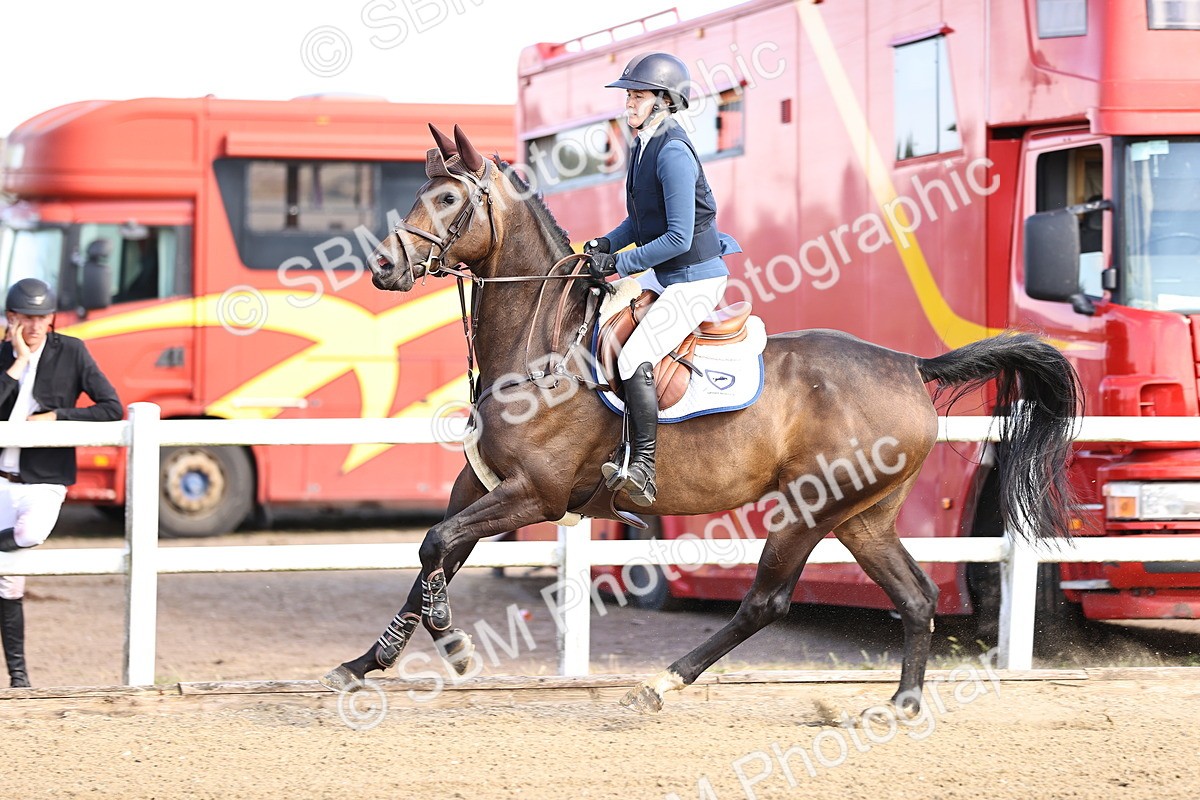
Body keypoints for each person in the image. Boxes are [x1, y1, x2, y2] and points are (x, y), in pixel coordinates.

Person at [585, 51, 741, 507]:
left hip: (694, 280)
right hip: (671, 278)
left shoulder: (672, 151)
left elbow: (676, 237)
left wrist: (622, 265)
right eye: (629, 95)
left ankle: (645, 469)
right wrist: (605, 245)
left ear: (663, 100)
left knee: (634, 357)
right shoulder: (643, 145)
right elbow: (640, 222)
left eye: (637, 95)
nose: (628, 103)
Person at [0, 278, 123, 687]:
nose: (35, 327)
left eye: (42, 318)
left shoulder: (71, 351)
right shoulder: (2, 355)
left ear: (52, 318)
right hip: (0, 478)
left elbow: (111, 408)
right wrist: (16, 364)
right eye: (26, 318)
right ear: (10, 319)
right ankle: (20, 679)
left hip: (45, 480)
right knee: (9, 581)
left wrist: (58, 417)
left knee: (29, 533)